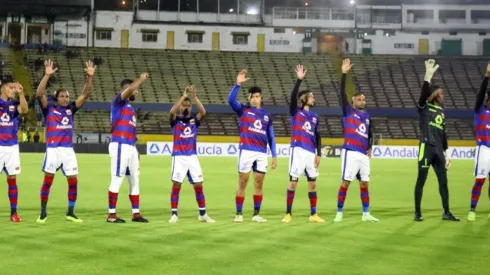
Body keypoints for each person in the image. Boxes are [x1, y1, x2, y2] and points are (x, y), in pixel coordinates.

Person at [36, 59, 96, 223]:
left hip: (68, 150)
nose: (65, 98)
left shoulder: (70, 109)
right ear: (56, 98)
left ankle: (70, 212)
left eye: (67, 96)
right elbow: (39, 94)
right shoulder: (49, 108)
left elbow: (85, 94)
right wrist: (47, 76)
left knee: (73, 180)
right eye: (62, 96)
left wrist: (89, 76)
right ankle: (43, 212)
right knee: (48, 180)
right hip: (53, 149)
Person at [228, 70, 277, 223]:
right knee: (243, 182)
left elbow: (271, 136)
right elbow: (230, 100)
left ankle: (256, 214)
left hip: (262, 153)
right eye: (253, 96)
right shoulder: (243, 110)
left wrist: (274, 155)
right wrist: (238, 84)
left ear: (261, 98)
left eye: (258, 96)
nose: (255, 99)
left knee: (259, 183)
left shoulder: (267, 115)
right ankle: (238, 213)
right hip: (247, 150)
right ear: (249, 98)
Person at [414, 59, 459, 222]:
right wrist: (428, 76)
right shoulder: (423, 107)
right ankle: (418, 213)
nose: (443, 96)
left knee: (444, 182)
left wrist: (447, 153)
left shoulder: (441, 111)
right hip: (426, 147)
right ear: (434, 95)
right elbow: (422, 94)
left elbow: (443, 133)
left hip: (439, 150)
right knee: (421, 180)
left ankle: (446, 212)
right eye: (440, 93)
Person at [333, 58, 378, 222]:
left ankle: (366, 214)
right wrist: (344, 74)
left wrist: (371, 146)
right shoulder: (348, 111)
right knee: (346, 182)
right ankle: (339, 212)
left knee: (365, 184)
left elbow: (370, 132)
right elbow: (341, 93)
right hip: (350, 152)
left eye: (363, 99)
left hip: (363, 154)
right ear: (353, 101)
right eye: (359, 99)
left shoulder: (367, 116)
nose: (362, 101)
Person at [282, 64, 323, 223]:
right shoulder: (296, 112)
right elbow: (292, 98)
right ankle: (288, 214)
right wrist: (299, 81)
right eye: (311, 96)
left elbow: (318, 136)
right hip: (297, 150)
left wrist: (319, 153)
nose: (314, 98)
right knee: (293, 182)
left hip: (310, 152)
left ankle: (313, 214)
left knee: (312, 183)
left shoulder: (315, 117)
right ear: (304, 98)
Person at [107, 74, 150, 223]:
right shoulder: (118, 102)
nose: (136, 92)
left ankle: (136, 213)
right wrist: (141, 79)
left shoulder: (130, 109)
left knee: (134, 180)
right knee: (117, 178)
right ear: (127, 90)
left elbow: (131, 130)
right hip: (120, 144)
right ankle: (111, 214)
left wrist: (135, 149)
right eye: (135, 89)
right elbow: (132, 87)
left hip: (130, 146)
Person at [168, 85, 214, 223]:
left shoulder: (194, 120)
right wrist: (183, 96)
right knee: (176, 184)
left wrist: (194, 97)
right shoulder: (175, 120)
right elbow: (171, 111)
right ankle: (174, 214)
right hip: (179, 156)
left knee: (198, 185)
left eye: (188, 105)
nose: (186, 107)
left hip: (192, 156)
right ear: (180, 106)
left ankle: (203, 214)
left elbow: (203, 112)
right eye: (184, 105)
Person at [0, 81, 28, 222]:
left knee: (12, 179)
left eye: (13, 88)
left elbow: (24, 109)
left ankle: (13, 213)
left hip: (12, 147)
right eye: (10, 88)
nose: (13, 90)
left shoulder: (14, 104)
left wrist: (21, 93)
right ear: (3, 90)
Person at [468, 61, 490, 221]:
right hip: (483, 149)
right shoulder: (480, 109)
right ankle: (472, 209)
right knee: (480, 180)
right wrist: (487, 76)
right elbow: (481, 94)